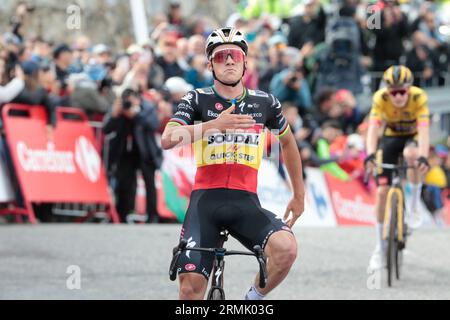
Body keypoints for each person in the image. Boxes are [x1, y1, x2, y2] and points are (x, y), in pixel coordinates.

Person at [161, 27, 304, 300]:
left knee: (287, 249)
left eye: (234, 55)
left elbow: (289, 143)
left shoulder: (265, 103)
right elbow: (168, 139)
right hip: (205, 204)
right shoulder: (196, 99)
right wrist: (214, 125)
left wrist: (299, 195)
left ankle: (250, 301)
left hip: (246, 203)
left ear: (244, 62)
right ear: (210, 65)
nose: (228, 60)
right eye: (220, 56)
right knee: (190, 290)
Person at [364, 65, 430, 271]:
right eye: (394, 92)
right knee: (382, 192)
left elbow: (424, 130)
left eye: (403, 91)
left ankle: (413, 205)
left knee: (412, 156)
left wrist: (424, 157)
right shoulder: (380, 98)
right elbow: (374, 128)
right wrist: (370, 153)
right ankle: (380, 248)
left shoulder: (419, 97)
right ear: (388, 91)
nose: (399, 96)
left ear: (409, 89)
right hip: (391, 139)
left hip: (413, 138)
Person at [103, 88, 162, 223]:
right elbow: (106, 128)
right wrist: (114, 114)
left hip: (145, 152)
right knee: (124, 184)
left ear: (137, 98)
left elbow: (154, 125)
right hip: (125, 152)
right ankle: (122, 214)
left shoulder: (147, 107)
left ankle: (152, 216)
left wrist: (135, 114)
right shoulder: (119, 107)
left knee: (149, 184)